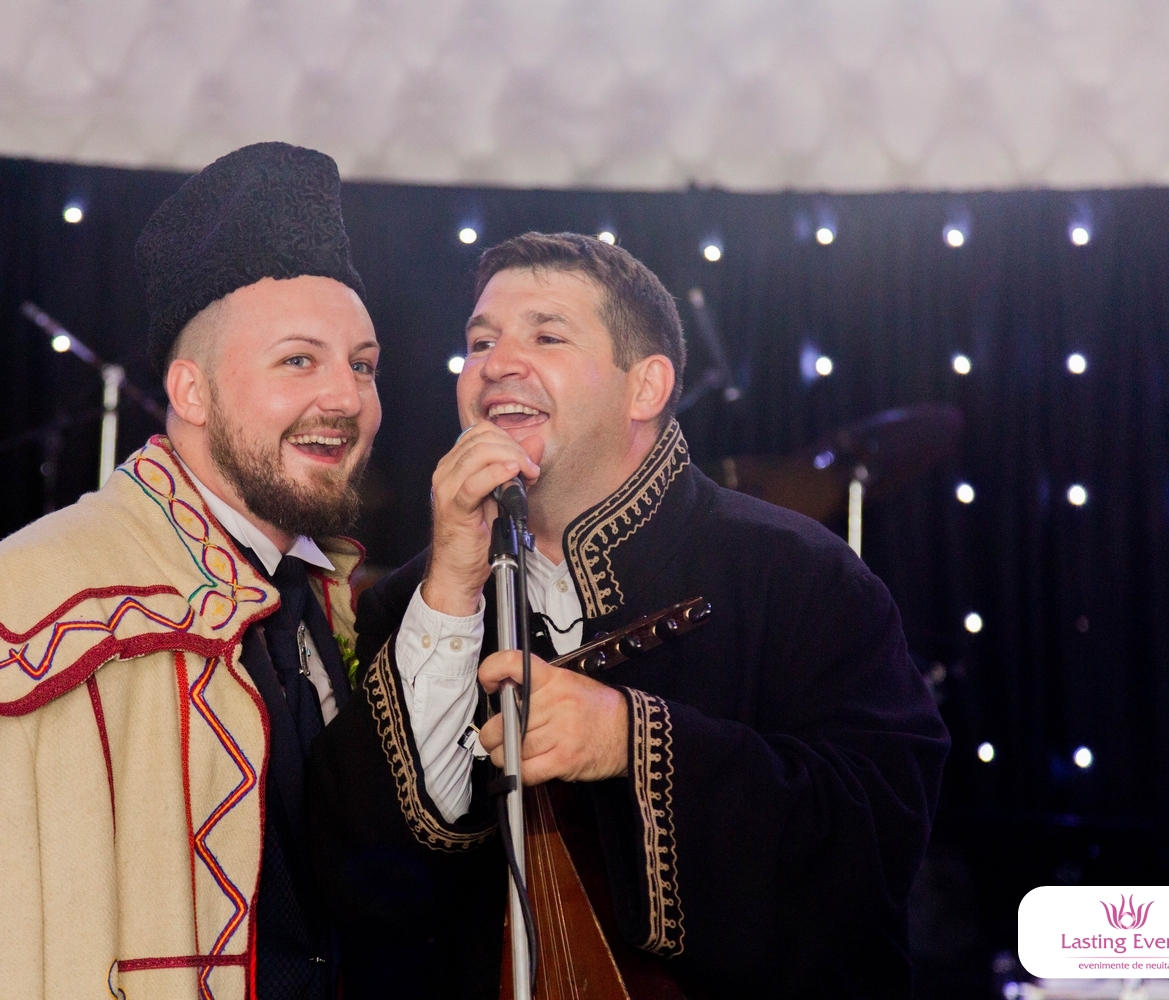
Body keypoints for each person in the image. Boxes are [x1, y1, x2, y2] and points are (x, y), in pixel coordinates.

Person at [0, 142, 495, 1000]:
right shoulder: (20, 615)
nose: (346, 398)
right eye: (298, 360)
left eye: (363, 365)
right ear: (191, 392)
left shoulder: (328, 602)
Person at [314, 232, 950, 997]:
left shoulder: (800, 573)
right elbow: (360, 883)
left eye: (547, 336)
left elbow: (875, 836)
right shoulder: (408, 604)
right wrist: (450, 588)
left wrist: (631, 740)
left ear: (645, 387)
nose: (497, 364)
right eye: (480, 342)